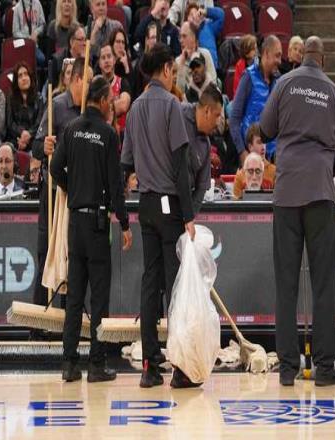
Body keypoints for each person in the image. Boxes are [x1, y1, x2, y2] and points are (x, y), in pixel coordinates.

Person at [259, 36, 335, 387]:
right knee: (323, 285)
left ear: (302, 57)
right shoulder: (334, 92)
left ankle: (286, 369)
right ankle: (325, 369)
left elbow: (265, 129)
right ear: (323, 60)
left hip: (287, 194)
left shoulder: (284, 84)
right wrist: (324, 168)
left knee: (286, 285)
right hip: (320, 193)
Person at [121, 43, 196, 388]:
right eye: (174, 71)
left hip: (146, 204)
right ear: (166, 69)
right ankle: (180, 367)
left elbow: (125, 163)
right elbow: (181, 166)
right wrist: (189, 214)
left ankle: (149, 366)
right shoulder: (171, 105)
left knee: (150, 281)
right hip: (169, 205)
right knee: (175, 285)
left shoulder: (135, 107)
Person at [51, 75, 132, 383]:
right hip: (98, 225)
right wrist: (124, 222)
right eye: (110, 100)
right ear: (101, 100)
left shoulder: (71, 129)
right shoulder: (108, 134)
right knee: (99, 298)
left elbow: (54, 168)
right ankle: (96, 365)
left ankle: (69, 363)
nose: (112, 105)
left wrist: (73, 189)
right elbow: (115, 184)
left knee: (74, 297)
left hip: (76, 224)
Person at [31, 58, 93, 324]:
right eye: (88, 81)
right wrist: (44, 145)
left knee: (73, 259)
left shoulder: (88, 111)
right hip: (54, 193)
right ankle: (38, 326)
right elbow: (35, 147)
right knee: (47, 254)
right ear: (76, 80)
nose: (90, 86)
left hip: (77, 194)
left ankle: (70, 323)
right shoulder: (56, 105)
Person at [230, 35, 282, 164]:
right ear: (266, 54)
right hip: (250, 157)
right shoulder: (248, 77)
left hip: (272, 158)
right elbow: (234, 118)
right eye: (277, 56)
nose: (280, 61)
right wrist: (242, 152)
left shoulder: (279, 81)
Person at [182, 83, 223, 214]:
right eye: (217, 115)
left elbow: (201, 188)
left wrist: (189, 217)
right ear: (207, 111)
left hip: (183, 209)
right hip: (161, 196)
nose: (218, 123)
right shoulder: (176, 115)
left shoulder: (206, 145)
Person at [6, 61, 44, 152]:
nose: (24, 78)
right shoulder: (10, 98)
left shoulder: (39, 98)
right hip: (15, 139)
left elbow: (40, 122)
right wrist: (22, 134)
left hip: (34, 139)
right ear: (16, 81)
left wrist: (29, 134)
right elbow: (10, 123)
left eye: (26, 74)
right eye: (20, 76)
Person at [233, 123, 275, 199]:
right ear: (250, 146)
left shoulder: (274, 172)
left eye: (264, 142)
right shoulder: (240, 175)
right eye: (259, 142)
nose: (263, 147)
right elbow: (235, 204)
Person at [98, 41, 131, 136]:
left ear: (114, 60)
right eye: (103, 58)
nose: (106, 61)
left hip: (120, 137)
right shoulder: (96, 84)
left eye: (109, 56)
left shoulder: (123, 82)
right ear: (99, 63)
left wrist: (101, 109)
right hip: (100, 136)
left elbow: (123, 105)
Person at [175, 21, 217, 92]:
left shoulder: (205, 54)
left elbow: (213, 84)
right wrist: (182, 64)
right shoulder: (178, 61)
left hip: (206, 96)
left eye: (184, 36)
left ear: (193, 37)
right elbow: (179, 91)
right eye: (180, 37)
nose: (181, 40)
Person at [184, 2, 224, 69]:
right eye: (191, 15)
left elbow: (221, 15)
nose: (194, 16)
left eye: (196, 13)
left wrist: (206, 12)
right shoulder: (184, 34)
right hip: (193, 69)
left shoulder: (209, 27)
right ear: (186, 19)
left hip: (211, 69)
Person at [51, 24, 86, 89]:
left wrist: (84, 61)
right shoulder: (58, 60)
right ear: (71, 42)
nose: (84, 43)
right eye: (81, 40)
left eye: (85, 39)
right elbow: (53, 87)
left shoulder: (88, 58)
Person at [12, 0, 46, 66]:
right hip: (22, 45)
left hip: (34, 45)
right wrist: (28, 38)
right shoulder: (17, 7)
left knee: (41, 59)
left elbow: (42, 24)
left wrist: (36, 32)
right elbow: (15, 32)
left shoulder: (38, 3)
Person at [133, 21, 160, 97]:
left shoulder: (163, 62)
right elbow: (137, 91)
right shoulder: (140, 64)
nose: (155, 41)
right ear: (147, 40)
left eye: (157, 37)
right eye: (153, 37)